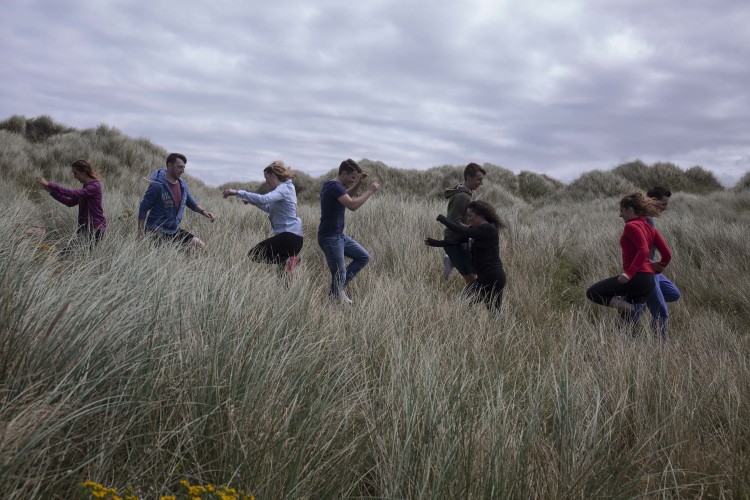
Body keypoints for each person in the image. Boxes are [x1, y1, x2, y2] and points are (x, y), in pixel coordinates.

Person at [586, 192, 672, 327]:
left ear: (629, 209)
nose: (620, 215)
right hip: (648, 281)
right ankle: (631, 340)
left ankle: (630, 308)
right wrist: (661, 265)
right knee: (629, 324)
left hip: (636, 278)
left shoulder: (631, 226)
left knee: (593, 292)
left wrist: (629, 273)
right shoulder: (649, 228)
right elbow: (667, 254)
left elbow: (643, 250)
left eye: (621, 211)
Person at [317, 159, 380, 304]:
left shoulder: (333, 186)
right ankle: (334, 301)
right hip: (330, 238)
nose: (353, 180)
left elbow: (346, 196)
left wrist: (359, 183)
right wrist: (369, 191)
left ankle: (337, 290)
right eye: (352, 178)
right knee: (340, 273)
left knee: (363, 257)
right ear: (343, 173)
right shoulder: (334, 187)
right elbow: (352, 205)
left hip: (339, 236)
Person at [222, 160, 303, 273]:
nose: (266, 182)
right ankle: (289, 262)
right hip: (294, 238)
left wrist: (237, 192)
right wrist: (252, 202)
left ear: (273, 176)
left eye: (267, 178)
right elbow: (269, 208)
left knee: (254, 254)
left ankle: (289, 261)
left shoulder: (284, 188)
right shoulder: (285, 189)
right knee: (283, 278)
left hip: (288, 237)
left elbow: (264, 199)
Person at [426, 200, 507, 312]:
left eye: (470, 215)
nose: (468, 219)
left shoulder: (489, 229)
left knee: (464, 304)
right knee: (493, 312)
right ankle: (487, 327)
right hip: (491, 277)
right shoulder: (475, 230)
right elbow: (456, 241)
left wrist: (444, 220)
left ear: (480, 214)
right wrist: (435, 243)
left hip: (492, 277)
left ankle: (469, 325)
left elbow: (462, 231)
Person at [627, 186, 681, 341]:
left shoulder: (648, 218)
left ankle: (632, 299)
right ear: (652, 201)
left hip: (651, 270)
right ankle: (661, 345)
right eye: (663, 204)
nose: (665, 208)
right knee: (661, 311)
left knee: (673, 293)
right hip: (644, 271)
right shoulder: (643, 220)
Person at [138, 153, 215, 249]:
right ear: (170, 165)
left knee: (200, 246)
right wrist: (140, 234)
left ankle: (187, 264)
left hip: (173, 230)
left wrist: (204, 212)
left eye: (183, 168)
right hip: (155, 231)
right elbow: (143, 207)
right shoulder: (157, 185)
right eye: (180, 167)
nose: (182, 171)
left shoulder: (182, 184)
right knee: (165, 259)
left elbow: (190, 201)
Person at [35, 159, 107, 255]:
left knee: (67, 255)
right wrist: (51, 192)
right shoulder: (87, 188)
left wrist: (49, 184)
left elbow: (72, 194)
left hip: (95, 229)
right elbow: (69, 202)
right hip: (87, 229)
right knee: (71, 255)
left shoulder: (94, 186)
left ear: (84, 172)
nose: (74, 177)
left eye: (76, 173)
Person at [441, 162, 486, 283]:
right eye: (479, 180)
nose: (481, 183)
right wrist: (473, 231)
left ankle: (450, 260)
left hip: (462, 240)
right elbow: (453, 222)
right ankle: (451, 259)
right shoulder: (461, 196)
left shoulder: (468, 194)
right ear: (469, 178)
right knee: (472, 281)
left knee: (475, 275)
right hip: (454, 242)